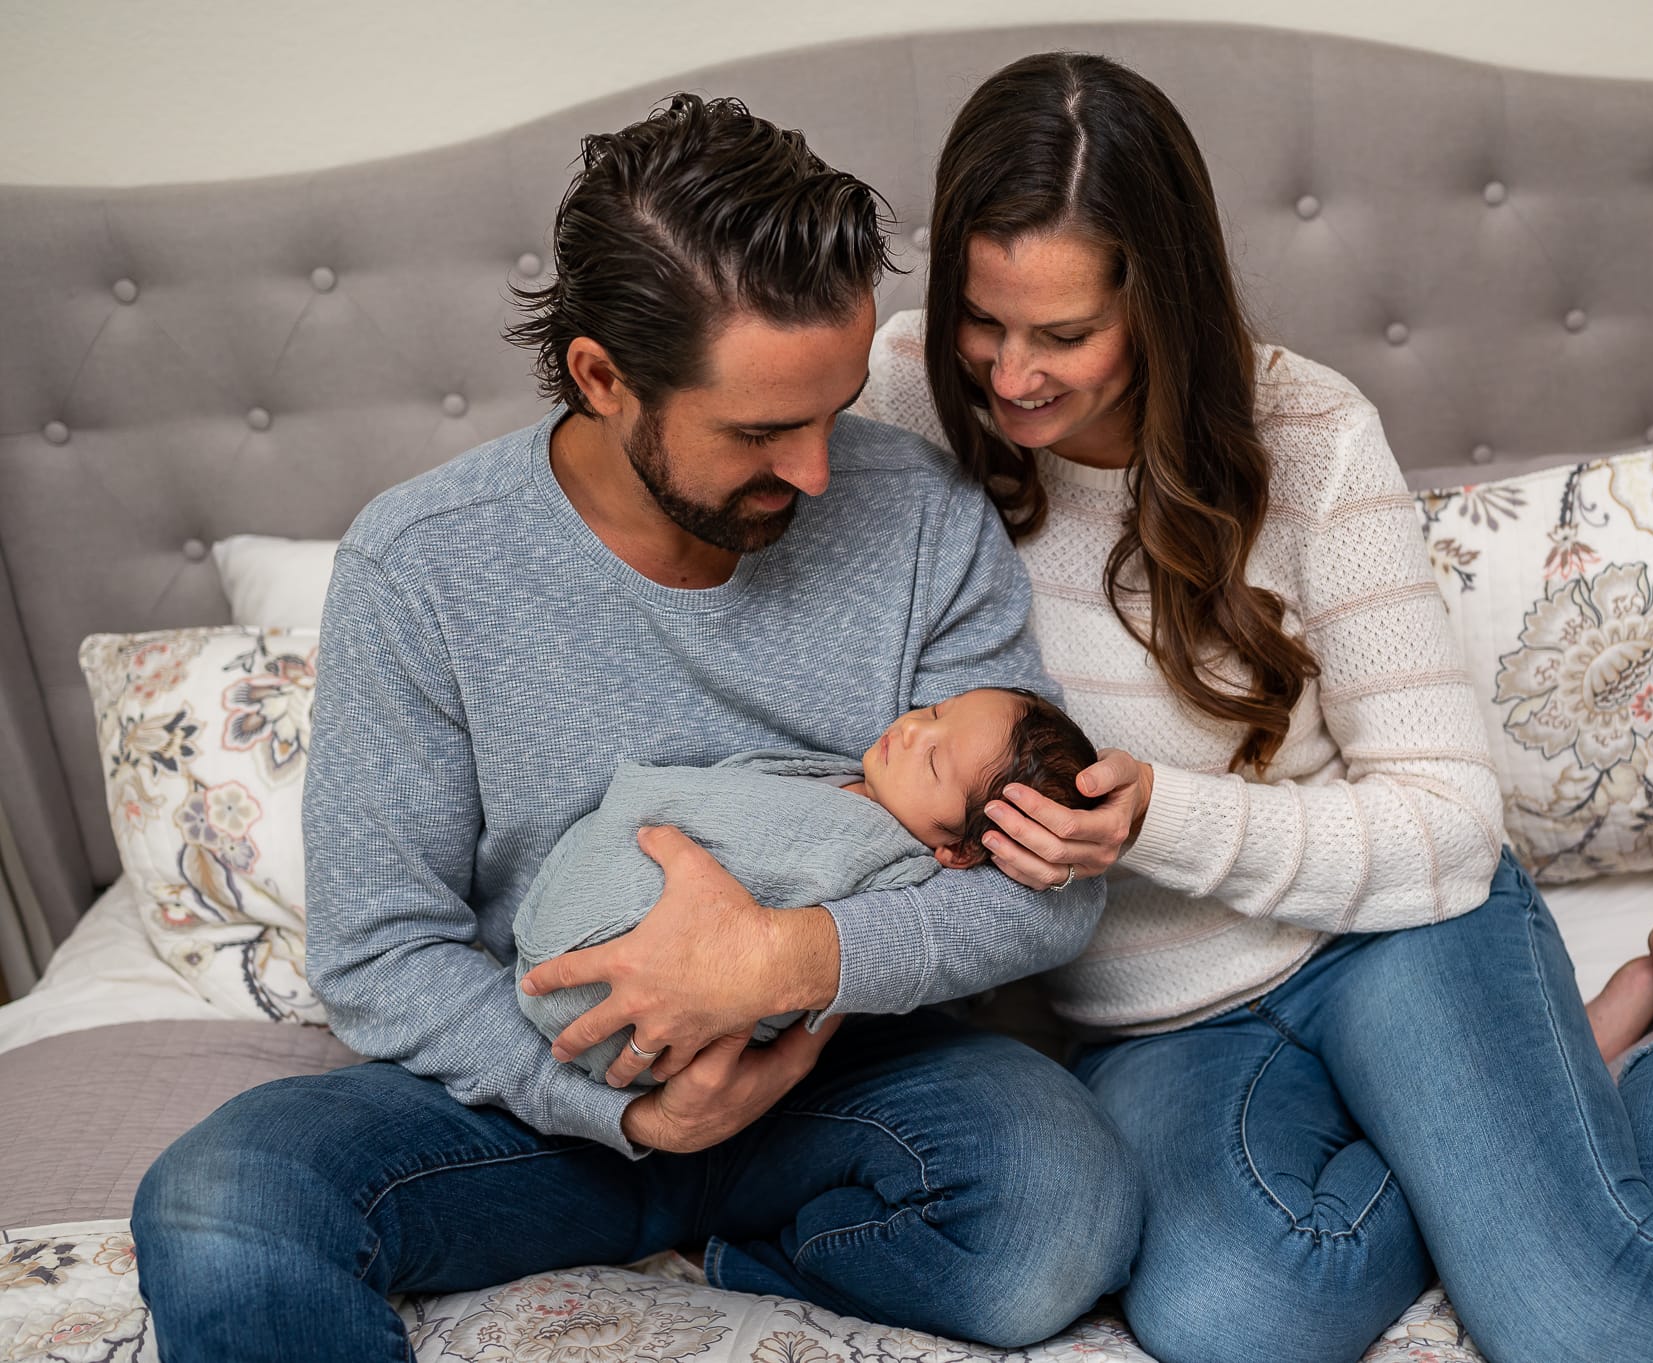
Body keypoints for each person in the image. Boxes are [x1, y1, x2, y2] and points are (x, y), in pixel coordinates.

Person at [855, 52, 1653, 1363]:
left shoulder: (1310, 437)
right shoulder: (904, 396)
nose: (1012, 375)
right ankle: (1571, 1053)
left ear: (1160, 305)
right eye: (983, 321)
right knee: (1237, 1315)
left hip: (1389, 930)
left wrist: (1155, 817)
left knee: (1622, 1334)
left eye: (1064, 334)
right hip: (1150, 1022)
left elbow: (1447, 821)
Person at [130, 94, 1139, 1362]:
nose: (818, 472)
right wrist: (621, 1109)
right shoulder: (422, 564)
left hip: (829, 1072)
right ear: (603, 377)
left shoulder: (923, 515)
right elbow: (381, 948)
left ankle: (748, 1252)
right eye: (761, 430)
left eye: (831, 411)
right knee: (222, 1200)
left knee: (1060, 1205)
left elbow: (1042, 888)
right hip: (532, 1097)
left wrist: (782, 960)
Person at [515, 686, 1100, 1079]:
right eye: (935, 712)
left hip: (640, 1001)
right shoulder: (839, 774)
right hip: (587, 901)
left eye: (933, 763)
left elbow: (814, 982)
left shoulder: (898, 867)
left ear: (961, 850)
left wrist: (783, 957)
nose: (912, 730)